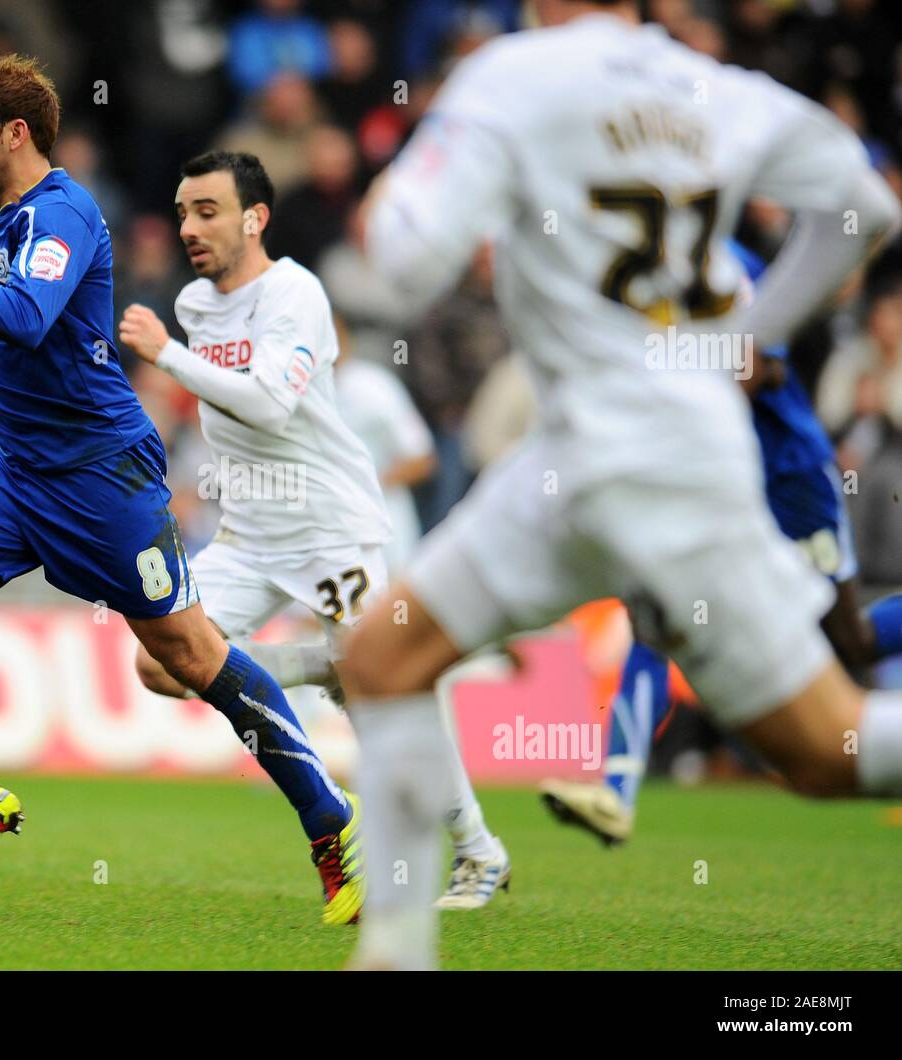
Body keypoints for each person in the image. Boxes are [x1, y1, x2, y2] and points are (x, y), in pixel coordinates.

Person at [337, 0, 902, 970]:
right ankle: (393, 957)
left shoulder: (512, 75)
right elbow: (868, 209)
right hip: (612, 454)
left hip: (626, 460)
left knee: (825, 750)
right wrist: (747, 334)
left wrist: (382, 206)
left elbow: (405, 260)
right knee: (380, 657)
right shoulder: (714, 89)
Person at [0, 55, 324, 904]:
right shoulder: (1, 215)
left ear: (16, 131)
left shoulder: (63, 212)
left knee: (190, 655)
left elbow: (30, 316)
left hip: (102, 478)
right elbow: (54, 337)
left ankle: (334, 827)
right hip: (21, 470)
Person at [119, 151, 509, 919]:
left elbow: (268, 405)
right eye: (183, 212)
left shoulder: (296, 291)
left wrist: (165, 355)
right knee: (158, 663)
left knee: (389, 696)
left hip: (328, 527)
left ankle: (480, 853)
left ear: (253, 218)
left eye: (208, 211)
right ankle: (325, 663)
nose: (190, 227)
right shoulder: (197, 304)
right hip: (248, 532)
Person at [543, 240, 902, 844]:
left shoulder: (727, 265)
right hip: (715, 482)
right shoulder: (632, 265)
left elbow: (764, 366)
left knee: (853, 640)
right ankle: (616, 789)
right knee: (655, 613)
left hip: (790, 478)